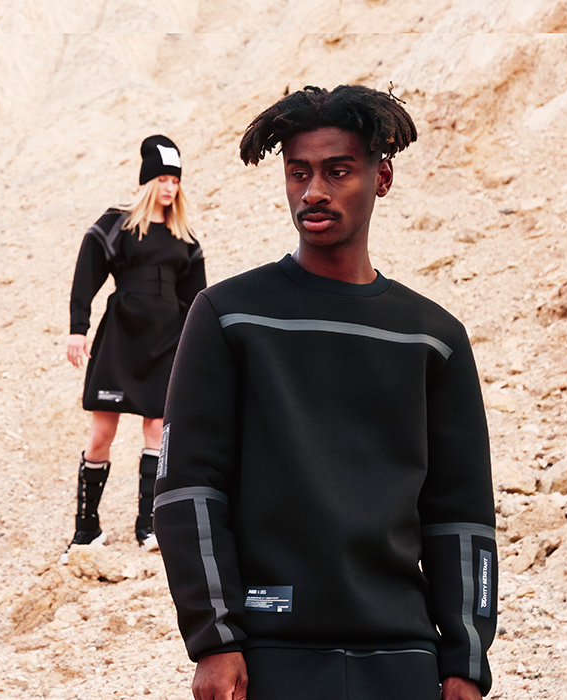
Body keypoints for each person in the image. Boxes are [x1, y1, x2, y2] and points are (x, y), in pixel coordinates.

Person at [153, 85, 497, 700]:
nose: (313, 191)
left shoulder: (433, 337)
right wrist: (215, 638)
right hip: (269, 651)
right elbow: (188, 488)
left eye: (338, 171)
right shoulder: (229, 315)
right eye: (298, 172)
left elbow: (461, 512)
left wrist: (466, 661)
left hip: (402, 658)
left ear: (381, 178)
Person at [63, 134, 207, 564]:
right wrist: (77, 329)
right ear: (148, 181)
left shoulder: (185, 237)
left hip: (166, 342)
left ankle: (149, 526)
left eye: (175, 181)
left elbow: (197, 300)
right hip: (121, 338)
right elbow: (86, 276)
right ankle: (86, 529)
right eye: (163, 179)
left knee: (157, 431)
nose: (170, 188)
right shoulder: (116, 223)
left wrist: (200, 348)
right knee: (101, 434)